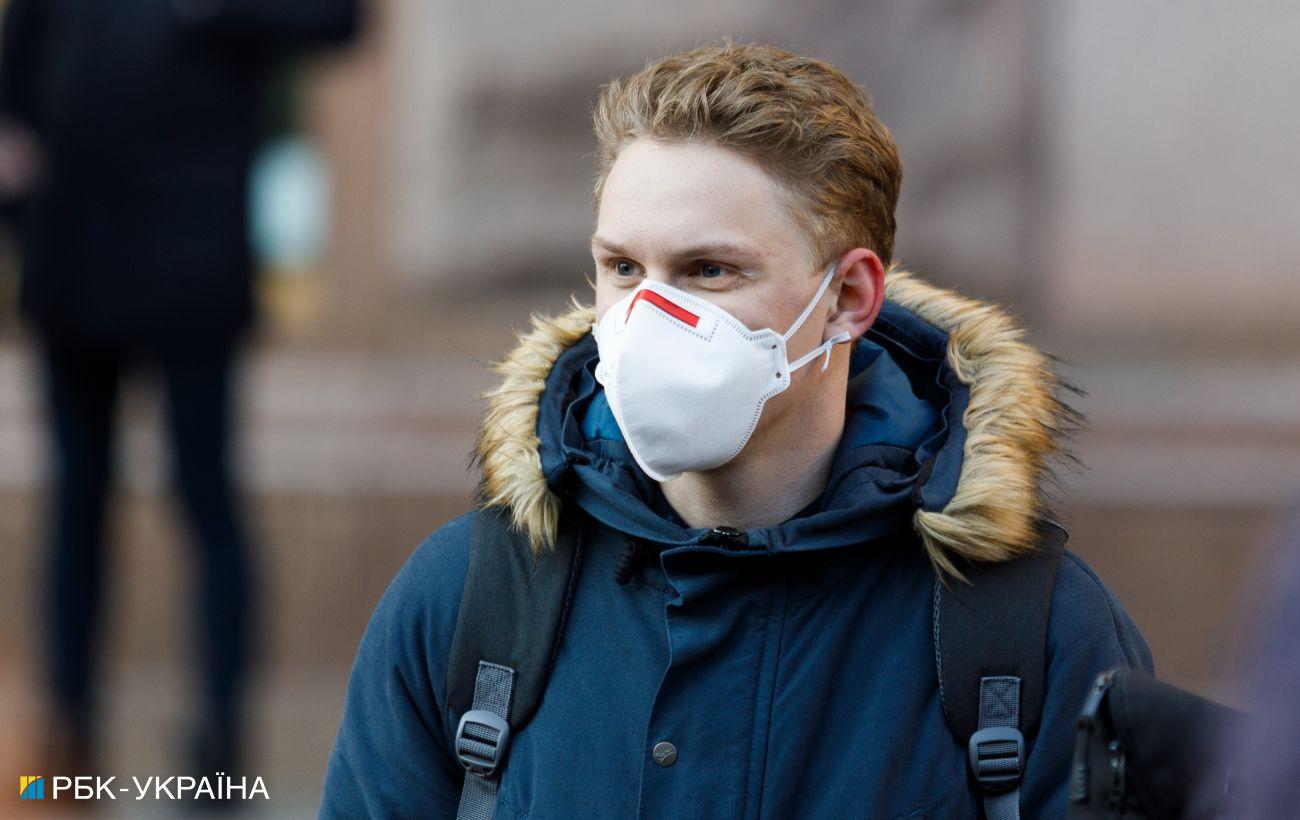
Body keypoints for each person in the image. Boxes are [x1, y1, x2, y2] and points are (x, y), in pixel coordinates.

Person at [321, 39, 1152, 818]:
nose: (648, 316)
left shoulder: (1030, 637)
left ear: (849, 298)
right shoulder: (471, 604)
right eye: (622, 268)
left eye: (708, 270)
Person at [0, 0, 359, 780]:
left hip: (192, 253)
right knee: (76, 501)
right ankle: (67, 747)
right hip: (72, 251)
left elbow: (337, 19)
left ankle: (220, 753)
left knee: (206, 497)